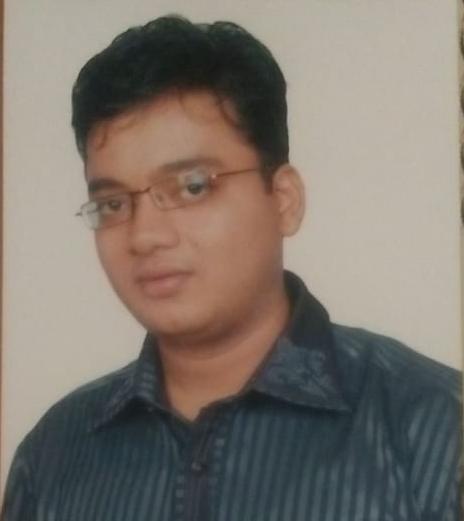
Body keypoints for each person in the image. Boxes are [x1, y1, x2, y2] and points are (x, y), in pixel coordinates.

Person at [2, 14, 461, 521]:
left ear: (284, 200)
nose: (145, 235)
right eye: (112, 204)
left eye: (192, 187)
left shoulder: (433, 431)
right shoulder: (53, 458)